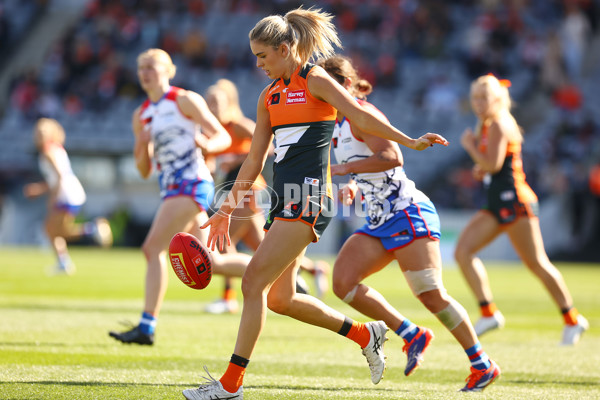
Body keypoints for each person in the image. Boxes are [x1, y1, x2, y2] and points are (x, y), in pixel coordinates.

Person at [183, 8, 448, 399]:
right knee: (280, 299)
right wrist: (225, 211)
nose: (258, 64)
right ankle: (365, 333)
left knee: (254, 281)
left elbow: (359, 114)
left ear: (286, 48)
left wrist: (409, 141)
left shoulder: (316, 79)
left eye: (263, 56)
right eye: (255, 57)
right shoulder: (268, 96)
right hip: (285, 200)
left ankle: (230, 384)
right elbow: (254, 161)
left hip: (308, 197)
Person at [320, 55, 500, 392]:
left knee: (431, 295)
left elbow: (393, 157)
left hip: (405, 211)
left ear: (342, 86)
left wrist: (343, 172)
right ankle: (410, 333)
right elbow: (368, 165)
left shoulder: (362, 114)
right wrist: (354, 185)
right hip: (378, 219)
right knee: (343, 283)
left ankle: (482, 363)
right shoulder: (339, 124)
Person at [108, 49, 251, 346]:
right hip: (171, 188)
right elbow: (144, 169)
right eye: (141, 67)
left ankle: (147, 326)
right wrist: (143, 146)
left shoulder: (185, 100)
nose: (145, 72)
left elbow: (222, 136)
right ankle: (280, 273)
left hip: (193, 183)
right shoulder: (141, 115)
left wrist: (207, 145)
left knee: (152, 249)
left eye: (152, 66)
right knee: (211, 261)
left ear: (169, 70)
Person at [455, 74, 589, 345]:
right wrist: (483, 169)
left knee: (537, 263)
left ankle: (573, 319)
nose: (479, 103)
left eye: (484, 98)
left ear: (496, 99)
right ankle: (488, 312)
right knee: (463, 252)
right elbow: (497, 166)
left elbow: (493, 164)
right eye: (476, 98)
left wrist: (471, 149)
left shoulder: (498, 124)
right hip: (497, 202)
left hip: (515, 202)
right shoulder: (489, 123)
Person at [203, 79, 330, 314]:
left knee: (222, 243)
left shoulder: (238, 125)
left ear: (229, 103)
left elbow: (267, 148)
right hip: (232, 195)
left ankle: (228, 298)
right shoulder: (213, 132)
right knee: (264, 249)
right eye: (208, 102)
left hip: (250, 192)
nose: (212, 107)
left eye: (216, 102)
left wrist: (236, 159)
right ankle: (313, 270)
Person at [23, 118, 113, 275]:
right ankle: (65, 260)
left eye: (42, 132)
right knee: (54, 230)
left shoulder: (48, 152)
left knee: (55, 231)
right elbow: (55, 177)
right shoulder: (55, 149)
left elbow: (58, 177)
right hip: (71, 193)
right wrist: (40, 190)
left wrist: (53, 198)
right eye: (37, 132)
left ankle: (91, 231)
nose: (39, 135)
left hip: (66, 195)